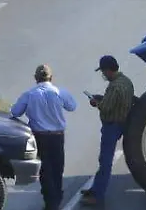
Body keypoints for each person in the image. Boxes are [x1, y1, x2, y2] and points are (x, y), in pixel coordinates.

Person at [12, 64, 77, 210]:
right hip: (58, 136)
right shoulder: (60, 92)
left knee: (45, 169)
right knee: (57, 167)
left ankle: (50, 200)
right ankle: (57, 197)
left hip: (39, 136)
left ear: (35, 78)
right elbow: (72, 106)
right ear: (51, 77)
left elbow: (15, 112)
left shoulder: (29, 94)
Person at [81, 56, 135, 206]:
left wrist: (96, 102)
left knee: (105, 161)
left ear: (107, 70)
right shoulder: (126, 82)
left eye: (103, 71)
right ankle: (95, 188)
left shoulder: (114, 86)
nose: (103, 75)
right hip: (122, 122)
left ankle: (98, 196)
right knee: (104, 160)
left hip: (111, 125)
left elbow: (106, 107)